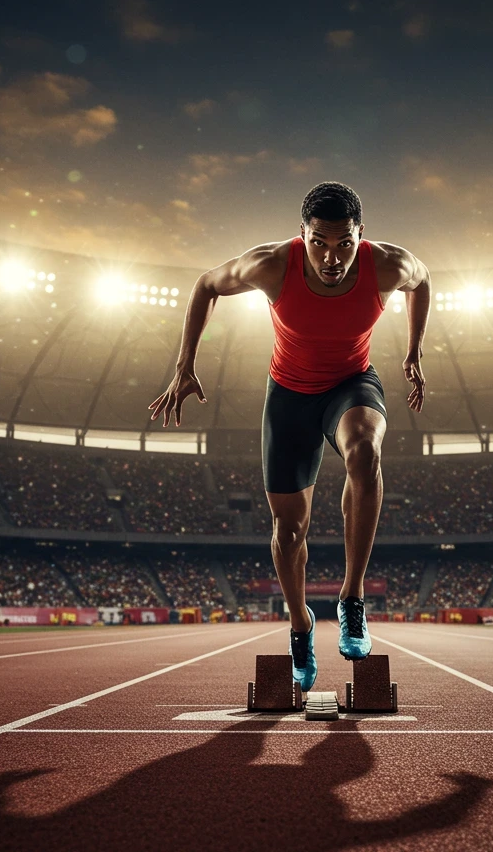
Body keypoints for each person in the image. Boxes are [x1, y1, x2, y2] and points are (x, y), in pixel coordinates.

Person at [149, 182, 430, 690]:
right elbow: (205, 284)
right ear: (302, 236)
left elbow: (423, 280)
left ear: (360, 236)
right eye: (319, 242)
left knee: (365, 452)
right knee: (289, 530)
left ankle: (351, 599)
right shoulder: (272, 264)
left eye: (344, 243)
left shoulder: (385, 264)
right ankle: (301, 625)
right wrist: (183, 366)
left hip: (352, 384)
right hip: (290, 397)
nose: (332, 257)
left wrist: (414, 351)